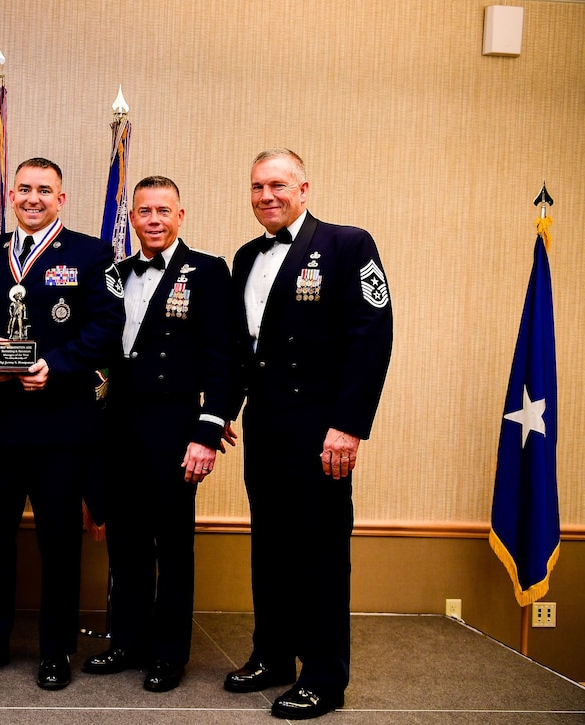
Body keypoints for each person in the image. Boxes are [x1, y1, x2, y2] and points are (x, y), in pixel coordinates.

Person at [225, 149, 392, 719]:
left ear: (304, 188)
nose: (265, 196)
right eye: (256, 187)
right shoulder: (246, 256)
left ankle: (323, 677)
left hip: (320, 430)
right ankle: (272, 657)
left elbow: (371, 338)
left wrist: (348, 426)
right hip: (265, 427)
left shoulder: (348, 245)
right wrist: (218, 411)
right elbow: (240, 352)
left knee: (319, 554)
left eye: (277, 185)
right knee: (270, 548)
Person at [0, 157, 125, 690]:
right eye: (23, 189)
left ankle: (56, 650)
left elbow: (107, 324)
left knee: (58, 541)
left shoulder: (93, 254)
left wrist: (59, 365)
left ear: (61, 198)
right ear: (11, 195)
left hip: (61, 426)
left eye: (44, 190)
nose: (32, 198)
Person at [81, 176, 238, 692]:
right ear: (132, 218)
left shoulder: (209, 272)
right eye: (144, 210)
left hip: (174, 423)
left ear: (180, 214)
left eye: (163, 210)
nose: (153, 219)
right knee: (126, 541)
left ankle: (169, 653)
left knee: (172, 542)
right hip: (118, 421)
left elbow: (225, 358)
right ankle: (127, 641)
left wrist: (210, 429)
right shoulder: (116, 272)